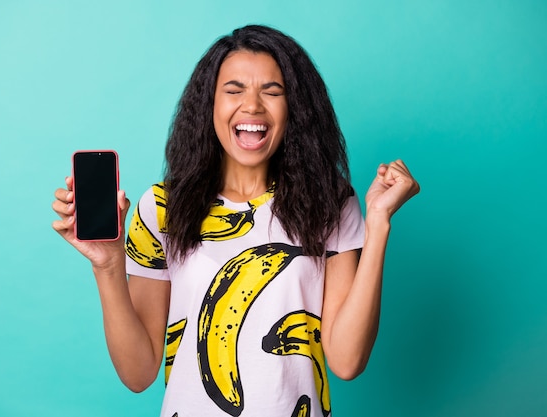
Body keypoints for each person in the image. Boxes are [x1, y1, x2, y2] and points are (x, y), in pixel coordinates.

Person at [52, 24, 419, 417]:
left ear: (295, 108)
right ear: (209, 104)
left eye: (272, 91)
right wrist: (108, 266)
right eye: (234, 89)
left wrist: (378, 223)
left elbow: (347, 361)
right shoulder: (163, 208)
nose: (252, 106)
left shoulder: (329, 202)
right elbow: (138, 373)